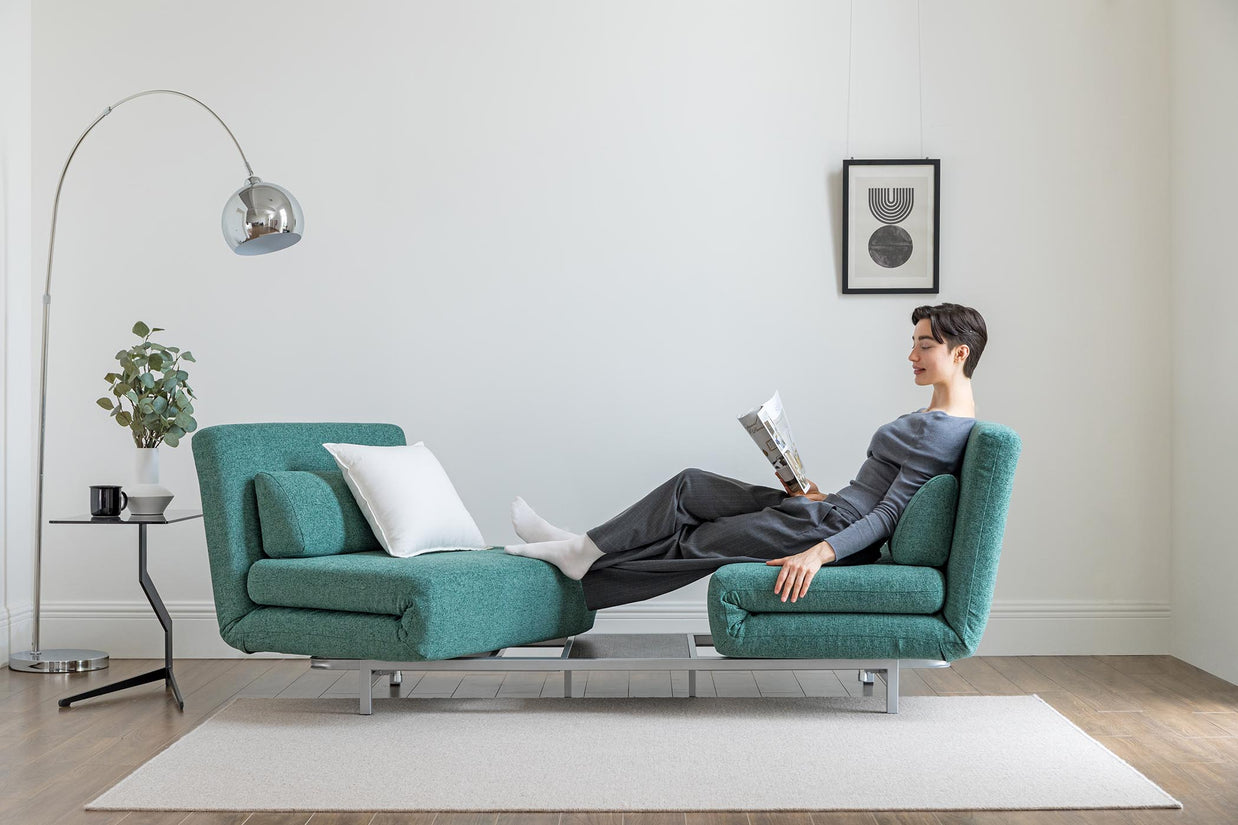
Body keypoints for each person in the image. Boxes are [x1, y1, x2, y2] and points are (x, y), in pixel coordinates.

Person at [504, 302, 986, 611]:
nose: (912, 356)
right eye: (914, 344)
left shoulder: (943, 431)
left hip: (829, 530)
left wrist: (819, 554)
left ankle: (560, 588)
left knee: (696, 542)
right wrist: (812, 492)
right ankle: (580, 547)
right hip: (825, 509)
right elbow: (874, 491)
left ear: (960, 353)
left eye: (925, 346)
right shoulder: (933, 417)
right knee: (689, 486)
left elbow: (888, 514)